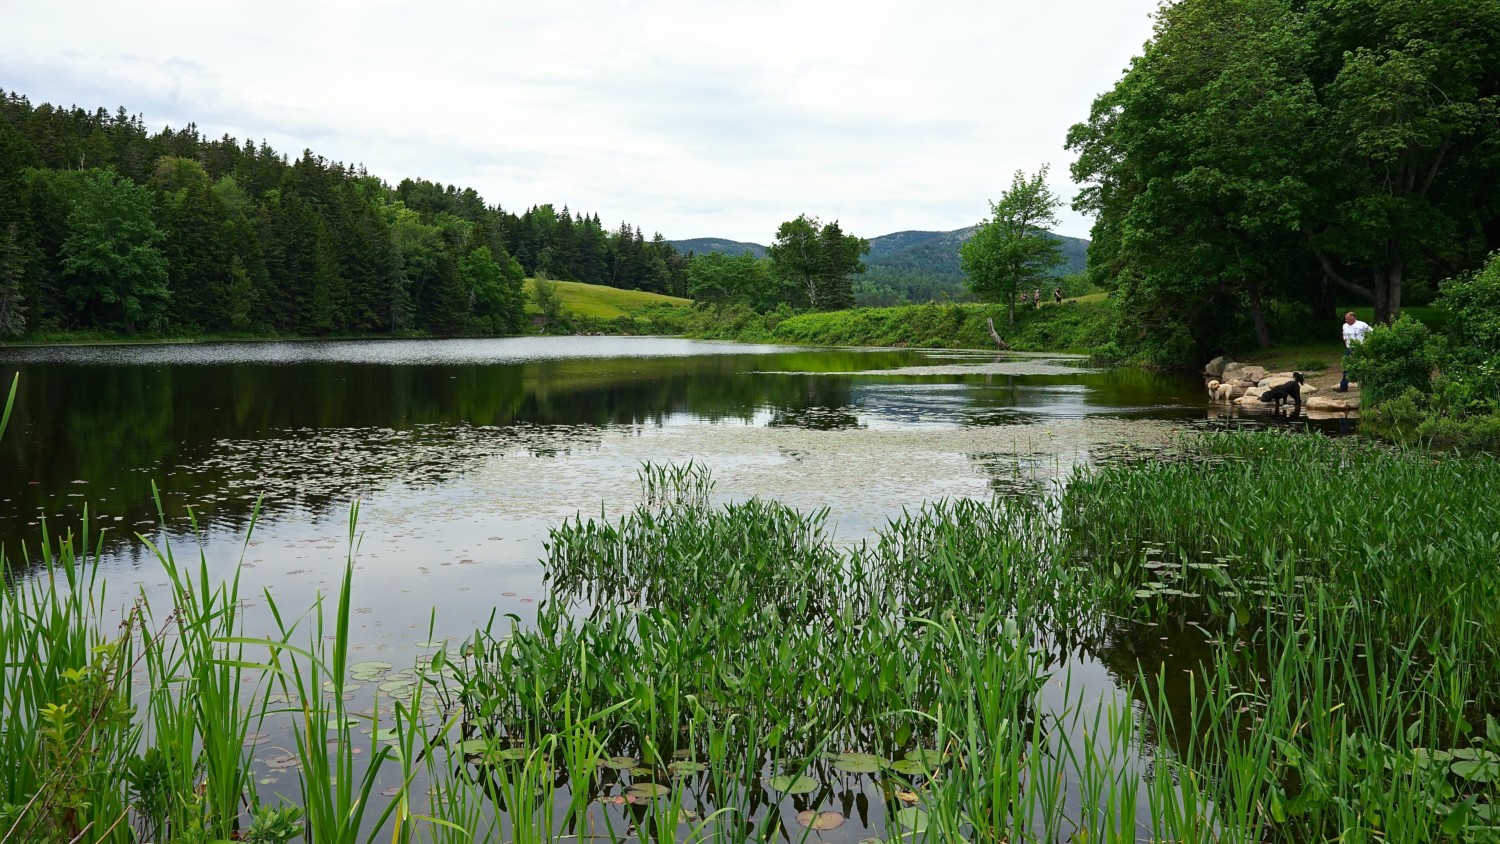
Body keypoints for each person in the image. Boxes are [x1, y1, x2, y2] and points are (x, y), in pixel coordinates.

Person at [1338, 311, 1372, 392]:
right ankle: (1343, 386)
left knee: (1362, 366)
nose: (1346, 321)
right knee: (1347, 366)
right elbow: (1345, 336)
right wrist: (1347, 345)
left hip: (1360, 347)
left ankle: (1366, 385)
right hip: (1349, 348)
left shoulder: (1362, 324)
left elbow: (1372, 332)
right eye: (1345, 319)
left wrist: (1366, 343)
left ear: (1353, 318)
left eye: (1348, 319)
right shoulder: (1345, 326)